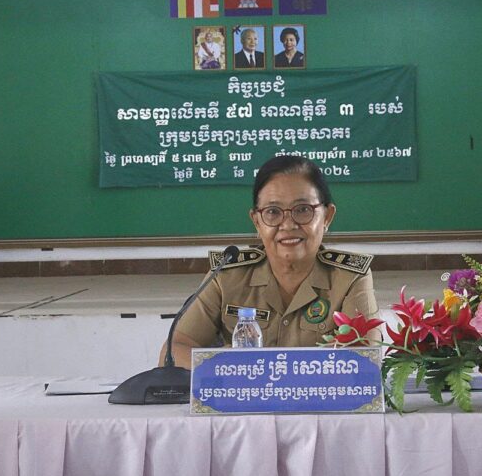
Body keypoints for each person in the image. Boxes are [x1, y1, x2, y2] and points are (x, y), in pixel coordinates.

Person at [160, 156, 380, 369]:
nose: (288, 225)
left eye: (303, 210)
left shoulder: (350, 278)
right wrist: (231, 366)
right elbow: (172, 353)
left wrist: (265, 368)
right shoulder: (226, 274)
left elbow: (367, 360)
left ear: (327, 217)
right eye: (273, 212)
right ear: (257, 221)